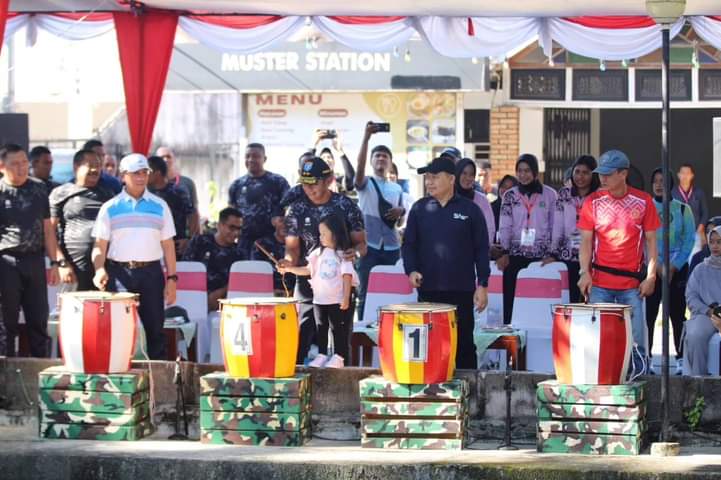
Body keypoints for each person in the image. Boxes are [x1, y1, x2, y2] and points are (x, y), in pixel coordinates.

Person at [402, 156, 489, 369]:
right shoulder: (419, 209)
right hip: (429, 291)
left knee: (464, 346)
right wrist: (411, 270)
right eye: (427, 178)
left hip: (462, 291)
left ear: (451, 179)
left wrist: (483, 284)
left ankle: (469, 387)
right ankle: (432, 387)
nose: (429, 182)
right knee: (431, 347)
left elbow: (481, 249)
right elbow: (409, 245)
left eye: (435, 177)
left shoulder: (470, 210)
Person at [577, 150, 660, 374]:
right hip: (599, 283)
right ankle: (600, 381)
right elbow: (586, 241)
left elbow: (652, 243)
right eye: (600, 173)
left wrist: (651, 276)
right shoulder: (592, 202)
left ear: (623, 174)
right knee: (597, 340)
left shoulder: (644, 201)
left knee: (636, 343)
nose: (602, 178)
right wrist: (584, 272)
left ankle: (639, 381)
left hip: (631, 285)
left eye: (608, 174)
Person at [280, 156, 366, 364]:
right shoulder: (296, 209)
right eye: (305, 183)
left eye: (314, 183)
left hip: (340, 282)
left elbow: (361, 244)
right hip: (309, 280)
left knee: (341, 337)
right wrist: (288, 263)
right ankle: (302, 375)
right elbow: (292, 248)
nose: (308, 189)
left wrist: (353, 253)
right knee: (303, 333)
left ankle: (342, 378)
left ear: (328, 180)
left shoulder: (346, 206)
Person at [91, 153, 177, 360]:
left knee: (155, 330)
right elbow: (99, 245)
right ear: (123, 176)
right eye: (135, 173)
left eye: (144, 173)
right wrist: (99, 269)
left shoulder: (160, 206)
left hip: (151, 273)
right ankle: (119, 375)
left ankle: (158, 376)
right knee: (119, 331)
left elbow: (168, 246)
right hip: (119, 274)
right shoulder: (109, 208)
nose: (141, 177)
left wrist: (172, 279)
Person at [0, 144, 60, 357]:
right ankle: (6, 372)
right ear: (2, 167)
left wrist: (55, 262)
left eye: (24, 162)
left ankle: (39, 371)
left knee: (38, 320)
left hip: (34, 260)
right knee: (6, 324)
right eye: (15, 164)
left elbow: (48, 229)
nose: (21, 168)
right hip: (6, 262)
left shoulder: (39, 188)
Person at [280, 214, 359, 368]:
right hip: (319, 300)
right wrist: (290, 269)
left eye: (323, 234)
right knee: (321, 328)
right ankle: (322, 354)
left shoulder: (343, 255)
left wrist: (345, 297)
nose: (320, 237)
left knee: (337, 329)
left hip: (336, 300)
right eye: (320, 233)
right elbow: (308, 270)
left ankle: (339, 356)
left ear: (335, 234)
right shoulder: (318, 253)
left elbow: (347, 276)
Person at [645, 167, 695, 373]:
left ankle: (682, 360)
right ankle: (646, 359)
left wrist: (675, 265)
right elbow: (642, 240)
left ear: (671, 185)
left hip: (678, 269)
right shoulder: (645, 208)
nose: (659, 185)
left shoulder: (683, 210)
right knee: (648, 316)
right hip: (652, 270)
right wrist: (656, 266)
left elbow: (689, 240)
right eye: (656, 181)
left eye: (663, 181)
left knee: (677, 315)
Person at [497, 154, 557, 324]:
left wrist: (552, 253)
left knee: (538, 299)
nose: (523, 175)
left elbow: (554, 225)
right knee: (511, 298)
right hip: (515, 255)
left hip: (541, 257)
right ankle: (510, 331)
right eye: (520, 171)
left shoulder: (550, 195)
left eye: (527, 171)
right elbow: (505, 225)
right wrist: (505, 251)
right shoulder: (510, 196)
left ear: (535, 172)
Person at [354, 122, 406, 322]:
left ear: (390, 163)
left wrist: (401, 210)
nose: (381, 158)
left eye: (385, 156)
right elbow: (358, 169)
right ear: (371, 161)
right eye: (377, 156)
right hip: (369, 247)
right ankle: (363, 333)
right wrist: (366, 137)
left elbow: (400, 220)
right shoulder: (365, 183)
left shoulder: (397, 189)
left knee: (391, 294)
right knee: (365, 294)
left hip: (392, 248)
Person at [49, 149, 115, 291]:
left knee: (102, 305)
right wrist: (61, 263)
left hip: (105, 270)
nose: (95, 170)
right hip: (73, 269)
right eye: (90, 165)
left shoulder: (109, 194)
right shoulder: (60, 193)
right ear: (76, 167)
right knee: (75, 305)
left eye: (98, 166)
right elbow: (49, 232)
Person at [549, 155, 600, 303]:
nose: (580, 177)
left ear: (593, 174)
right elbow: (557, 226)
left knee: (590, 301)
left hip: (592, 257)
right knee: (571, 301)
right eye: (577, 172)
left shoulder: (599, 196)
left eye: (585, 172)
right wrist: (553, 252)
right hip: (567, 256)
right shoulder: (563, 194)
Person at [228, 143, 290, 253]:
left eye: (256, 156)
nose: (251, 160)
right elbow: (231, 214)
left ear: (264, 159)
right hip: (245, 242)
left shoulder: (278, 182)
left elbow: (290, 208)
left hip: (272, 242)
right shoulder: (236, 185)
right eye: (247, 156)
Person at [683, 225, 721, 376]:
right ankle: (699, 381)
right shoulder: (700, 269)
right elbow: (691, 296)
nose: (715, 246)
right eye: (712, 242)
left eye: (719, 242)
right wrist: (709, 311)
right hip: (706, 315)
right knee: (695, 335)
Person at [147, 155, 198, 256]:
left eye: (147, 172)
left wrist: (189, 240)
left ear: (157, 173)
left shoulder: (178, 192)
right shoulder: (144, 193)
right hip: (150, 247)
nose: (144, 175)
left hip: (175, 246)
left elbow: (193, 215)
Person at [155, 146, 201, 234]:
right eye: (162, 157)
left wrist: (193, 238)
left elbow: (194, 213)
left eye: (168, 156)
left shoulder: (187, 183)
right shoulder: (150, 184)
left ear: (174, 159)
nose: (165, 160)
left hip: (181, 236)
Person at [455, 158, 495, 247]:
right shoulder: (448, 198)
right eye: (464, 173)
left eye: (471, 174)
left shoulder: (482, 200)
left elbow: (490, 229)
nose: (468, 178)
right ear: (457, 173)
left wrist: (482, 249)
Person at [251, 222, 296, 296]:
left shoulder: (300, 245)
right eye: (281, 220)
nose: (285, 224)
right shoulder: (261, 244)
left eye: (289, 221)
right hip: (266, 293)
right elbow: (256, 271)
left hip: (293, 293)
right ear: (273, 221)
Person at [673, 164, 708, 252]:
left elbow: (705, 212)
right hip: (678, 235)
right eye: (682, 173)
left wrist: (700, 229)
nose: (685, 176)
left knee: (694, 258)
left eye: (687, 173)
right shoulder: (672, 193)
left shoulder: (699, 192)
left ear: (692, 175)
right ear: (678, 175)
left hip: (695, 234)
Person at [313, 129, 355, 194]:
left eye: (329, 157)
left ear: (334, 162)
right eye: (323, 158)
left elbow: (351, 178)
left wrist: (340, 151)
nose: (326, 160)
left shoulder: (339, 181)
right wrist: (313, 144)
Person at [491, 175, 518, 241]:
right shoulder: (490, 207)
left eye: (510, 188)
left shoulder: (519, 209)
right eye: (503, 186)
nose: (506, 191)